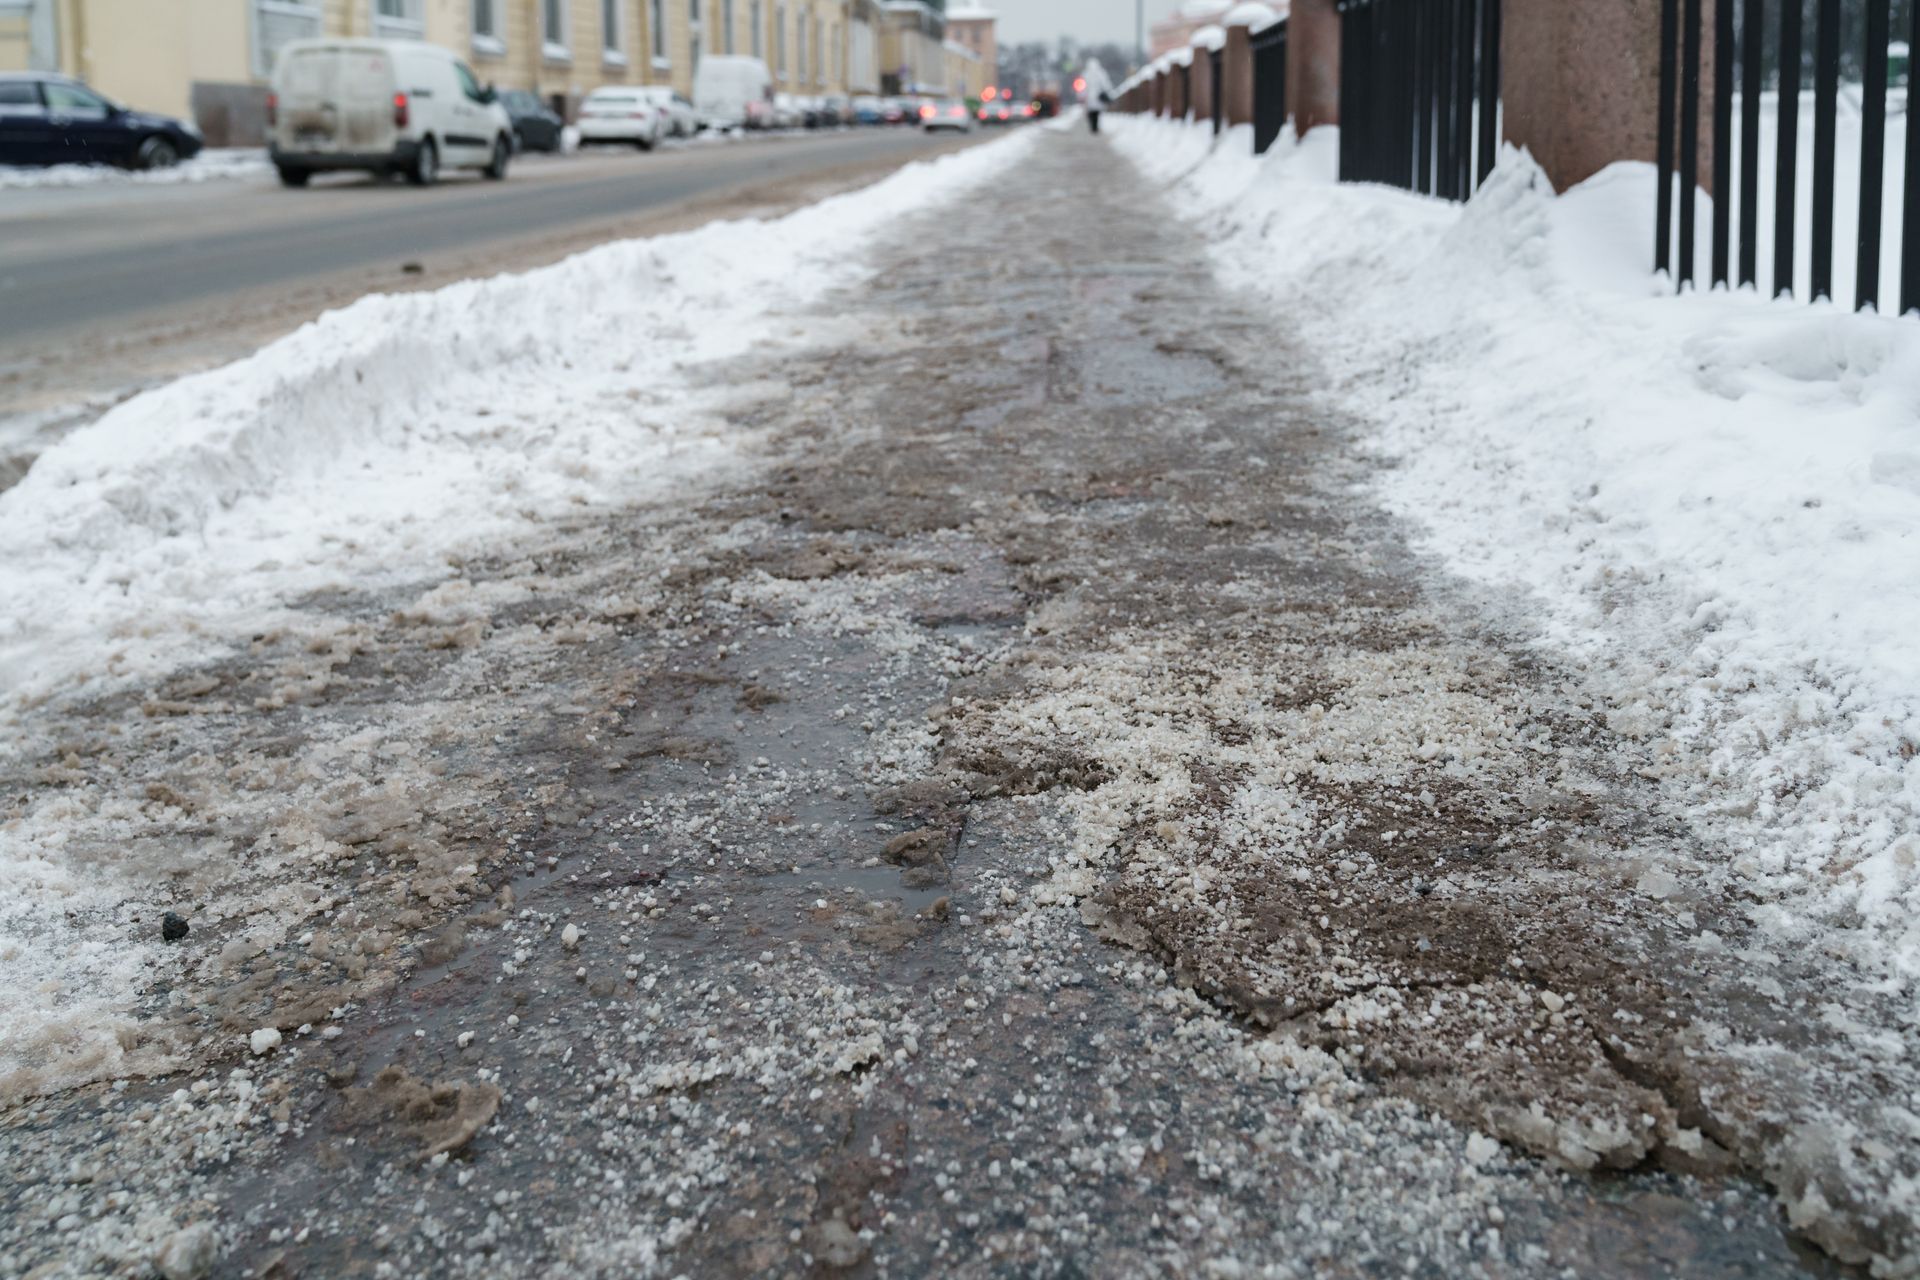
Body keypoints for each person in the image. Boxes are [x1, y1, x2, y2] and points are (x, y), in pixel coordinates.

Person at [1083, 58, 1114, 135]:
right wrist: (1109, 91)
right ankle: (1095, 127)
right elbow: (1106, 84)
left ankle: (1093, 127)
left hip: (1090, 97)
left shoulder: (1086, 74)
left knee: (1091, 113)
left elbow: (1082, 86)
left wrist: (1082, 95)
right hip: (1097, 96)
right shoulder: (1101, 73)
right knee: (1096, 112)